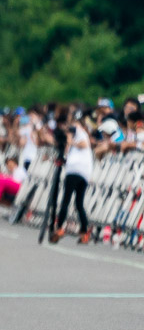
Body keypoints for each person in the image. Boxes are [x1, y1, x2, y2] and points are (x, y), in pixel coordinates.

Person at [51, 104, 92, 244]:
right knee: (78, 203)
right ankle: (84, 232)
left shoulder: (79, 132)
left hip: (75, 170)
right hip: (84, 171)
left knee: (66, 201)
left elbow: (81, 141)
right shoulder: (78, 135)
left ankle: (59, 228)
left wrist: (68, 136)